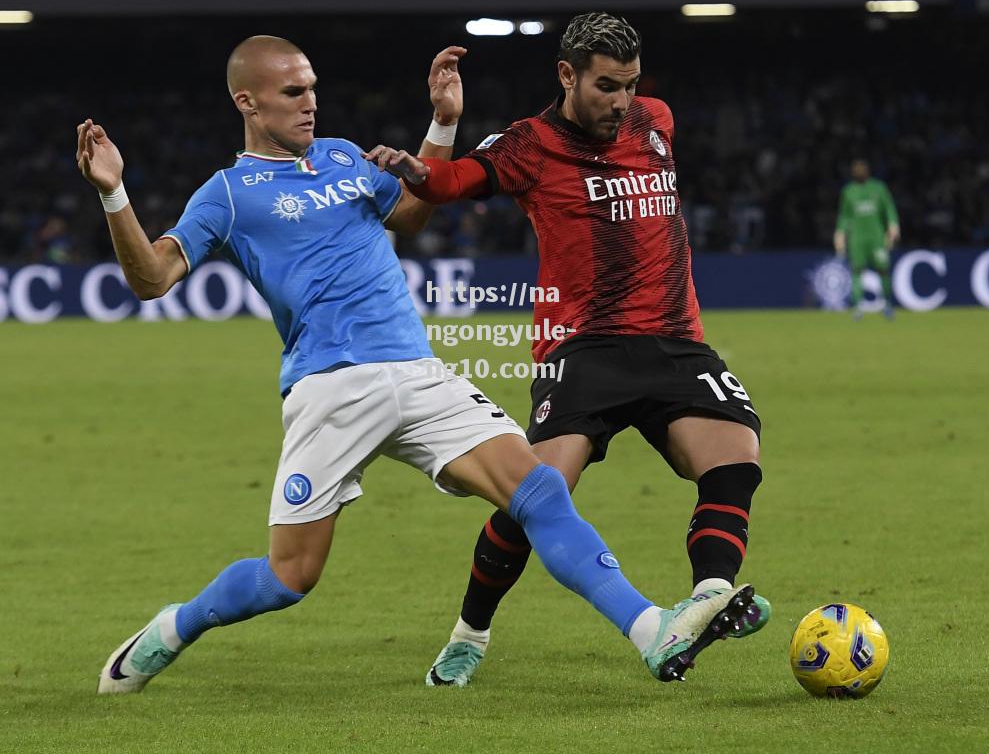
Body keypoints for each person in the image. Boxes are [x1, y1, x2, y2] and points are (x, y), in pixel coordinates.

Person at [78, 35, 757, 695]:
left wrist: (443, 124)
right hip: (332, 386)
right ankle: (175, 626)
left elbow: (410, 214)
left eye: (312, 88)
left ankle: (653, 631)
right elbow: (152, 278)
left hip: (417, 370)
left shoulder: (344, 156)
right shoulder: (228, 193)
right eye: (292, 92)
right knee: (289, 578)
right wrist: (115, 194)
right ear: (248, 102)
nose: (310, 102)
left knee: (540, 492)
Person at [367, 12, 770, 688]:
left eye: (631, 85)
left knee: (735, 454)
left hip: (675, 340)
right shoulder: (529, 144)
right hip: (584, 350)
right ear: (567, 74)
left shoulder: (657, 121)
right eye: (607, 86)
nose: (621, 102)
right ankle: (471, 631)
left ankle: (706, 600)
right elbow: (451, 184)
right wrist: (421, 160)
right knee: (534, 495)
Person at [833, 158, 900, 319]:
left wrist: (893, 225)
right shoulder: (848, 191)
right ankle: (857, 307)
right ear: (853, 172)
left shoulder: (879, 188)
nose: (859, 172)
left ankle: (888, 304)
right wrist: (840, 234)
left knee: (883, 270)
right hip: (857, 239)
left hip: (876, 238)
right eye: (856, 169)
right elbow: (844, 216)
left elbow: (889, 208)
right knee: (857, 272)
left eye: (862, 169)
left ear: (868, 171)